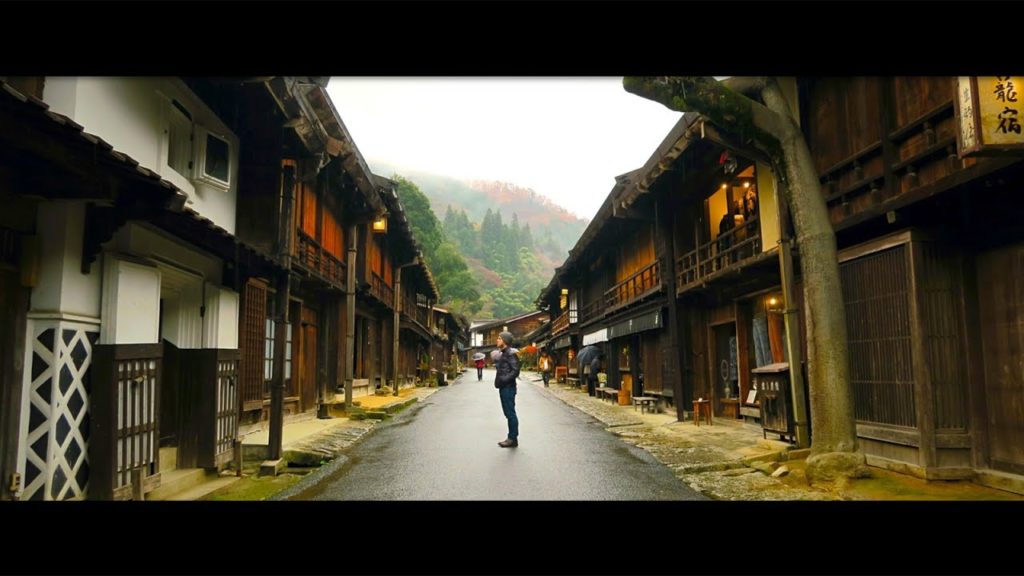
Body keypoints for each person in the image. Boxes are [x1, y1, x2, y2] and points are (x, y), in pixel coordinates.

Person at [494, 331, 521, 448]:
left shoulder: (510, 353)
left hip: (508, 387)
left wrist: (504, 379)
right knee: (508, 413)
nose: (497, 340)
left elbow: (515, 370)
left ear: (504, 341)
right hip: (504, 387)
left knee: (510, 413)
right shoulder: (504, 353)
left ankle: (512, 438)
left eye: (499, 338)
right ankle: (512, 437)